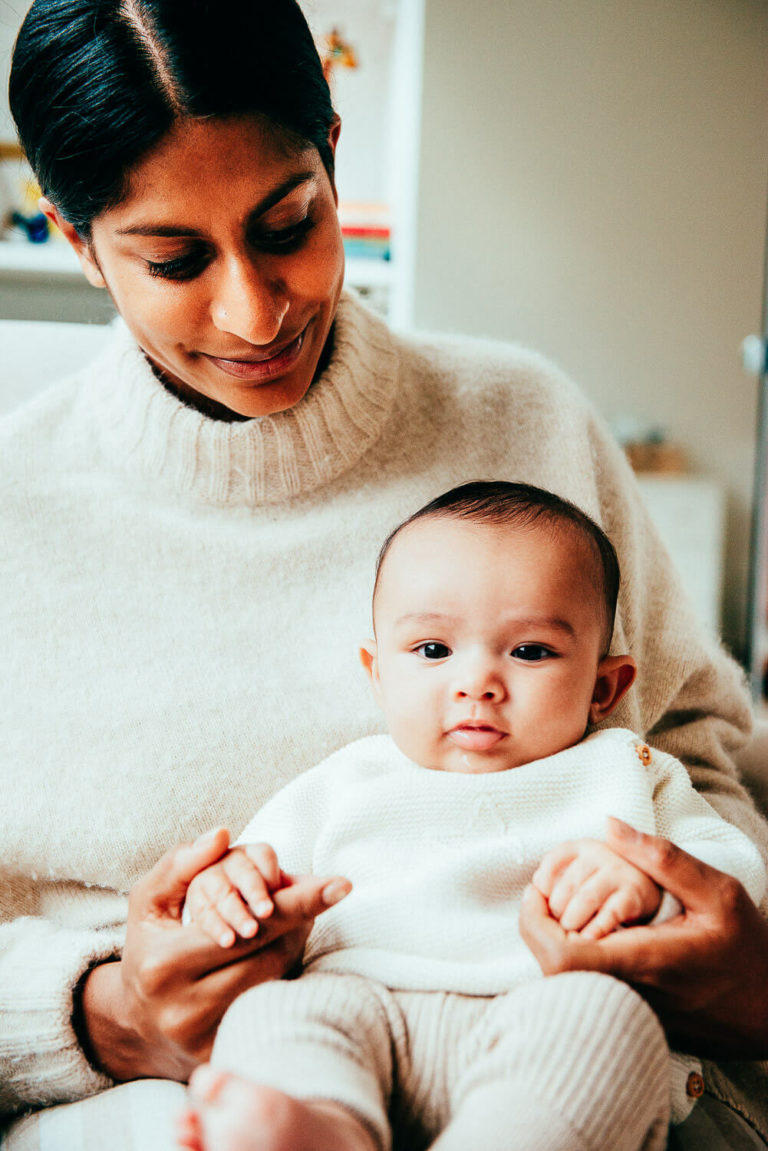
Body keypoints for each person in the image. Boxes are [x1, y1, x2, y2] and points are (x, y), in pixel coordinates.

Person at [2, 0, 767, 1146]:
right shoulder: (18, 501)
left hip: (562, 1048)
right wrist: (105, 1014)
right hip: (190, 1093)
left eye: (288, 224)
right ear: (79, 243)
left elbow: (703, 764)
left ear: (333, 159)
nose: (255, 311)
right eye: (173, 258)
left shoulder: (526, 417)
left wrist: (726, 951)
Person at [175, 482, 765, 1151]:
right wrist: (224, 888)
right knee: (273, 1012)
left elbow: (731, 875)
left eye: (530, 650)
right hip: (362, 1006)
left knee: (608, 1020)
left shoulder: (624, 768)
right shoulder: (347, 779)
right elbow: (253, 876)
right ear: (377, 674)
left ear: (605, 687)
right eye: (432, 650)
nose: (477, 681)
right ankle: (324, 1129)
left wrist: (649, 886)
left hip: (544, 1012)